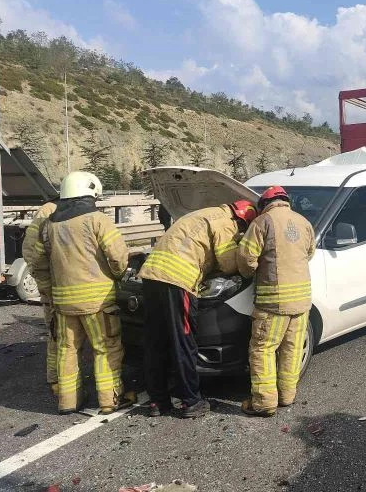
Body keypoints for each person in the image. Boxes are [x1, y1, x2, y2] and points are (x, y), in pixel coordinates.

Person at [138, 199, 257, 418]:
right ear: (242, 220)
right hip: (177, 281)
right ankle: (190, 401)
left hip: (151, 276)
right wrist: (242, 247)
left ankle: (158, 401)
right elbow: (228, 264)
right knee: (183, 341)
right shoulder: (225, 224)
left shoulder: (202, 213)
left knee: (156, 342)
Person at [33, 172, 131, 415]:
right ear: (90, 193)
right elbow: (118, 256)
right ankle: (110, 400)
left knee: (67, 350)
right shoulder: (98, 219)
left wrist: (48, 288)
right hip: (97, 302)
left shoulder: (50, 225)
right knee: (105, 348)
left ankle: (68, 401)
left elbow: (38, 259)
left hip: (63, 303)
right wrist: (118, 276)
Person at [238, 186, 315, 417]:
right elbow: (310, 253)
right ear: (285, 201)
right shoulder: (304, 222)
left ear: (264, 204)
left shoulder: (263, 222)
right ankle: (287, 396)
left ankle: (263, 403)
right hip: (302, 302)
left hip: (274, 303)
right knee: (291, 349)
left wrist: (250, 272)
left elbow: (246, 259)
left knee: (263, 349)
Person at [21, 199, 58, 396]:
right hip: (55, 285)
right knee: (57, 332)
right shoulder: (50, 211)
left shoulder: (53, 210)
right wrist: (45, 283)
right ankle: (56, 378)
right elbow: (31, 252)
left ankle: (59, 378)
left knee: (58, 333)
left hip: (58, 285)